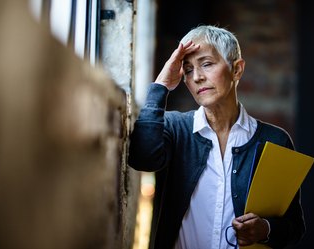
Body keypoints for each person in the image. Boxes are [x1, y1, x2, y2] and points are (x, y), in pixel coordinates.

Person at [128, 25, 305, 249]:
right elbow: (142, 158)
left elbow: (294, 227)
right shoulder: (175, 128)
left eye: (207, 64)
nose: (197, 77)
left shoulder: (276, 141)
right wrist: (161, 85)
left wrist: (265, 229)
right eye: (188, 69)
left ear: (237, 70)